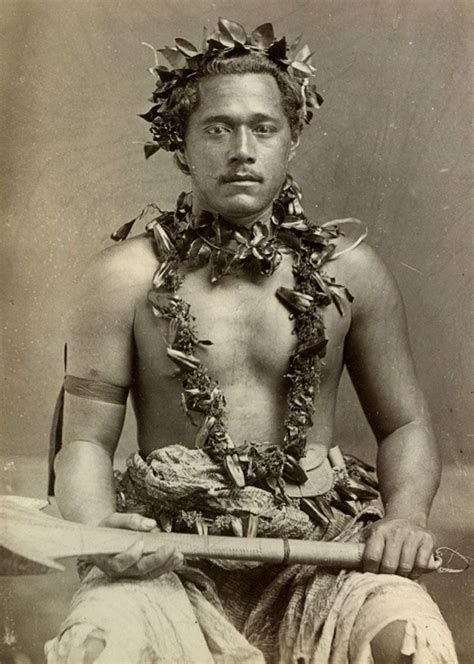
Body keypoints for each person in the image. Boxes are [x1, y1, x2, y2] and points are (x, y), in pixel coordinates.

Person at [45, 19, 457, 664]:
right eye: (217, 128)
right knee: (101, 646)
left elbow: (405, 423)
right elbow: (84, 443)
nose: (242, 149)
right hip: (169, 554)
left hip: (324, 551)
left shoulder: (353, 271)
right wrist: (100, 528)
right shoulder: (120, 276)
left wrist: (404, 519)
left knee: (412, 642)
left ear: (291, 141)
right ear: (180, 144)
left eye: (263, 128)